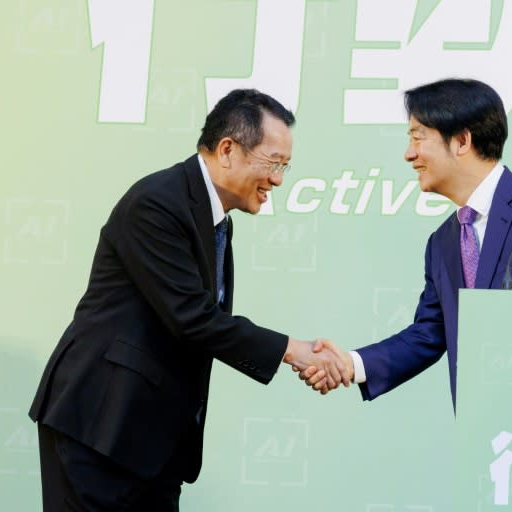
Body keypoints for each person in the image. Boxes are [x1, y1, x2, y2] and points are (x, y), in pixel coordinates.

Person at [28, 89, 349, 511]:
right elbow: (193, 319)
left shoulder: (214, 221)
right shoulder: (157, 202)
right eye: (273, 164)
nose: (277, 180)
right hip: (100, 428)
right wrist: (294, 351)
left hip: (151, 443)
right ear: (228, 149)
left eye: (285, 167)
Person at [298, 78, 512, 409]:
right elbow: (428, 335)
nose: (409, 154)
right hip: (482, 425)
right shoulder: (443, 241)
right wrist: (351, 365)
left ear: (462, 140)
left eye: (418, 137)